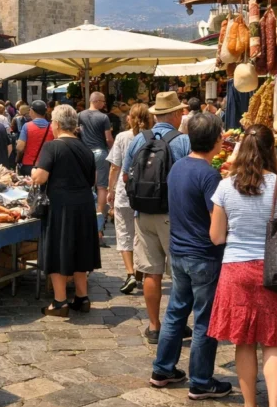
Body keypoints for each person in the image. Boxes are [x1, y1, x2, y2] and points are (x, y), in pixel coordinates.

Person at [209, 124, 277, 407]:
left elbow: (216, 237)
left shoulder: (225, 186)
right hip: (274, 272)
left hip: (236, 271)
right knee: (274, 343)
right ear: (271, 149)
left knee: (244, 342)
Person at [151, 113, 232, 398]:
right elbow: (216, 221)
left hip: (179, 251)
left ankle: (162, 369)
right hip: (203, 255)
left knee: (176, 311)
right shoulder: (209, 175)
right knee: (204, 319)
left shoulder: (178, 166)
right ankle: (200, 381)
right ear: (216, 141)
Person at [122, 91, 192, 344]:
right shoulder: (183, 141)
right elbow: (189, 178)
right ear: (174, 115)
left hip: (143, 213)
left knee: (151, 273)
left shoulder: (138, 140)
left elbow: (126, 176)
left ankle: (154, 326)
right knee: (180, 274)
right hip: (173, 215)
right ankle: (177, 324)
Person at [32, 104, 102, 316]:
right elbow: (93, 180)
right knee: (80, 249)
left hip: (61, 206)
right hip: (84, 205)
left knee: (58, 251)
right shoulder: (85, 148)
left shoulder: (52, 147)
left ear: (57, 124)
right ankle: (82, 297)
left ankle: (60, 302)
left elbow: (40, 177)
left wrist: (34, 172)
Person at [106, 103, 153, 295]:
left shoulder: (122, 137)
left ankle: (130, 273)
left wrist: (110, 189)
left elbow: (115, 167)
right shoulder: (154, 137)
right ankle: (140, 275)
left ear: (130, 118)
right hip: (148, 193)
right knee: (142, 236)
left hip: (125, 192)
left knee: (124, 232)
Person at [79, 92, 114, 244]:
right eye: (103, 101)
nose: (104, 104)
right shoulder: (103, 117)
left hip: (84, 152)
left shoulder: (80, 115)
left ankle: (85, 221)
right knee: (101, 187)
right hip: (100, 152)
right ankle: (98, 226)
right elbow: (108, 138)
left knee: (86, 186)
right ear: (97, 101)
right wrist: (113, 150)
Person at [17, 100, 53, 176]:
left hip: (29, 165)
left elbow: (20, 147)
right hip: (47, 166)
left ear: (32, 111)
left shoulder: (27, 126)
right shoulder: (52, 127)